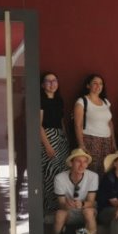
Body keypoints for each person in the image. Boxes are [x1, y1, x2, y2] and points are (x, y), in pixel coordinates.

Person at [51, 148, 100, 234]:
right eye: (78, 161)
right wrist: (67, 204)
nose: (82, 165)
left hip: (85, 209)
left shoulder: (93, 176)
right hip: (69, 211)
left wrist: (82, 204)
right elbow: (61, 204)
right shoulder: (60, 178)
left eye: (85, 162)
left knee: (89, 212)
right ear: (71, 163)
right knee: (59, 214)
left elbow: (91, 202)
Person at [40, 72, 70, 214]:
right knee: (49, 172)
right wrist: (47, 146)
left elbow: (61, 121)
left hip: (60, 138)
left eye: (55, 80)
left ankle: (59, 207)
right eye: (48, 81)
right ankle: (47, 208)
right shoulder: (41, 100)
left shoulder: (59, 100)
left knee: (61, 172)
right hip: (48, 137)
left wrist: (65, 137)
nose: (52, 84)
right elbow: (39, 125)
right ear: (42, 85)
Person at [74, 73, 115, 174]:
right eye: (95, 83)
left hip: (106, 142)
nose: (98, 86)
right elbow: (78, 125)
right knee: (91, 170)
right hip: (90, 141)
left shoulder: (105, 102)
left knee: (105, 170)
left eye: (100, 84)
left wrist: (113, 142)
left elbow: (110, 123)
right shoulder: (82, 101)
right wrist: (81, 145)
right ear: (88, 85)